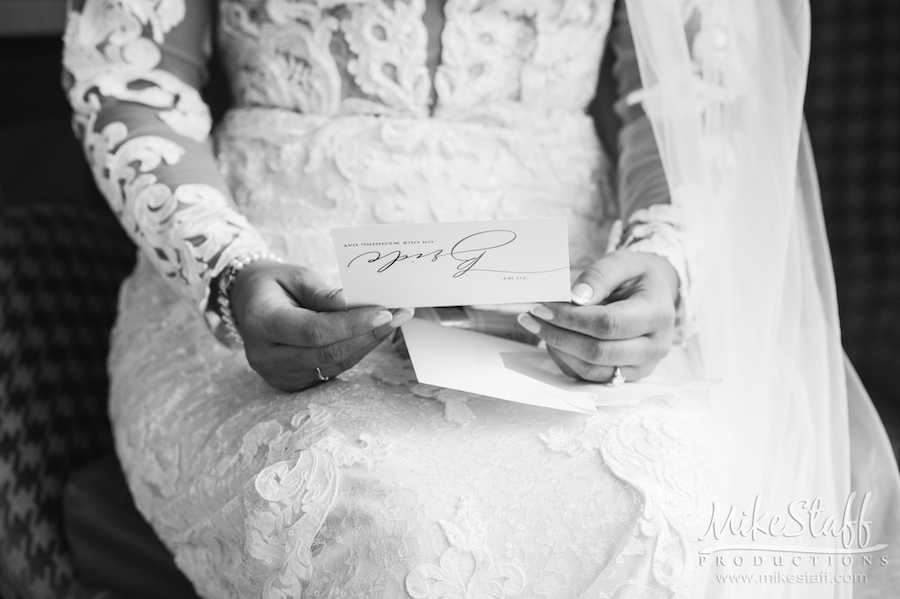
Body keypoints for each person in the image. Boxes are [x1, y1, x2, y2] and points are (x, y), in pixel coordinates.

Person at [62, 0, 900, 597]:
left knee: (665, 492)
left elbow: (691, 90)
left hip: (568, 289)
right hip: (275, 268)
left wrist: (662, 255)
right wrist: (225, 265)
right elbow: (129, 74)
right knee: (371, 511)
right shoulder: (239, 270)